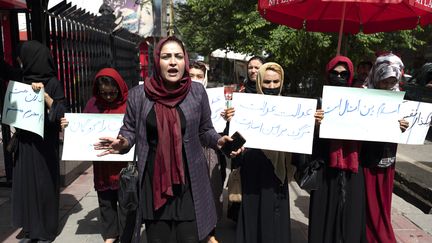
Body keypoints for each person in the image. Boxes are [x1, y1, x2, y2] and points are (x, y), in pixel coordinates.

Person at [93, 36, 241, 243]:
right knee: (159, 238)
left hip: (189, 180)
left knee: (190, 237)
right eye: (166, 56)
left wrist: (219, 141)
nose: (173, 61)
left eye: (178, 56)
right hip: (153, 181)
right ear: (157, 61)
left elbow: (205, 130)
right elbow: (129, 130)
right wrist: (123, 143)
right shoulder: (139, 95)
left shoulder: (196, 92)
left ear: (185, 62)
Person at [61, 68, 131, 243]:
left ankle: (126, 234)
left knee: (126, 201)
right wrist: (68, 126)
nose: (108, 97)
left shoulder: (130, 104)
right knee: (106, 199)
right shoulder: (93, 104)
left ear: (120, 88)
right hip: (103, 165)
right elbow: (82, 129)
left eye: (112, 93)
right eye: (104, 93)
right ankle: (110, 235)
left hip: (125, 165)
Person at [12, 40, 68, 242]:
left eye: (22, 57)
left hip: (44, 144)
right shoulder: (22, 79)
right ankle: (29, 228)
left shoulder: (53, 82)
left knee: (44, 185)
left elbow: (62, 113)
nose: (20, 61)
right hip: (25, 143)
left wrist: (45, 96)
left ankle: (44, 230)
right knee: (26, 185)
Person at [308, 56, 367, 243]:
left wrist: (396, 126)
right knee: (324, 212)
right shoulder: (318, 101)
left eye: (344, 73)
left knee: (351, 213)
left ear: (350, 75)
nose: (339, 76)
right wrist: (315, 125)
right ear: (328, 74)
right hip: (326, 166)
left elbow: (372, 131)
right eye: (335, 73)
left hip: (353, 165)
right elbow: (306, 140)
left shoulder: (362, 101)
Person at [235, 62, 292, 243]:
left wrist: (313, 125)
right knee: (253, 213)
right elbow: (234, 145)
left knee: (275, 216)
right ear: (260, 82)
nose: (272, 86)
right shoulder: (246, 105)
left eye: (276, 82)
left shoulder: (292, 108)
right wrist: (230, 121)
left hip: (276, 172)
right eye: (267, 82)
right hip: (253, 168)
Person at [360, 53, 409, 243]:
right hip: (366, 158)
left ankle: (381, 231)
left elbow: (410, 128)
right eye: (384, 81)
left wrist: (404, 125)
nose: (388, 86)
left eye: (392, 81)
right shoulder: (363, 95)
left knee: (383, 201)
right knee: (367, 199)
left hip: (388, 158)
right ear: (377, 77)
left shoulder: (402, 99)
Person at [189, 61, 226, 243]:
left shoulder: (213, 97)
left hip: (209, 150)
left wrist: (227, 118)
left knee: (211, 190)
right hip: (189, 149)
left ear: (205, 79)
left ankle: (210, 231)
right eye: (191, 76)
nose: (195, 80)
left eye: (199, 76)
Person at [225, 55, 264, 222]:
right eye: (250, 67)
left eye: (257, 67)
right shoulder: (238, 92)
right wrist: (227, 115)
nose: (253, 70)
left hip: (263, 148)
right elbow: (230, 122)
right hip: (242, 147)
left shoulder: (272, 92)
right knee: (242, 184)